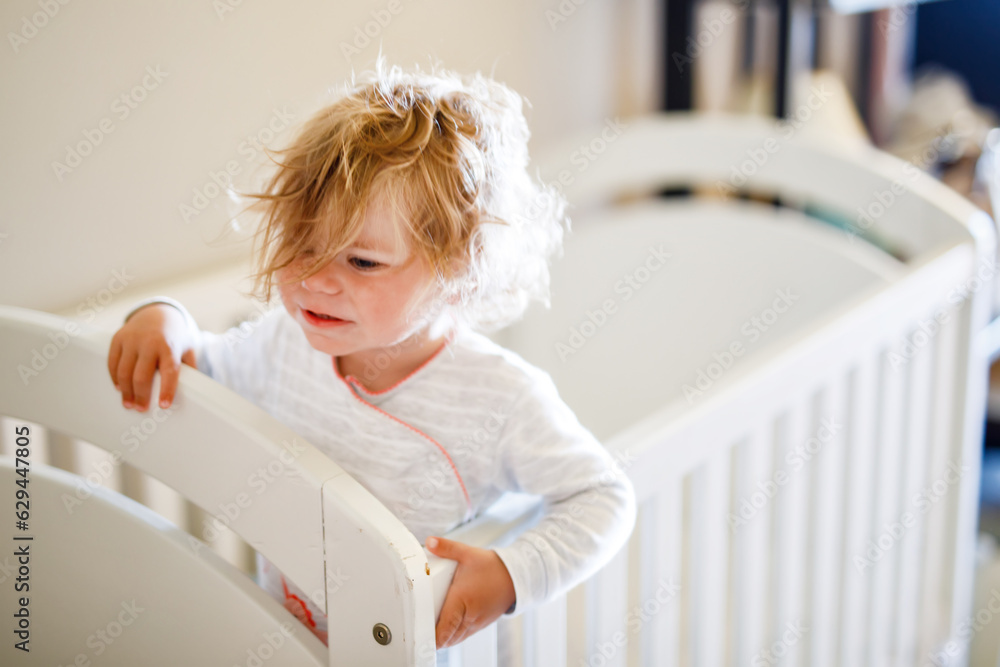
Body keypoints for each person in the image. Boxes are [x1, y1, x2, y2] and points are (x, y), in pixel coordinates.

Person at [106, 60, 636, 655]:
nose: (313, 280)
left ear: (460, 274)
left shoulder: (502, 398)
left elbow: (603, 496)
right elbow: (201, 368)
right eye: (301, 247)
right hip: (284, 642)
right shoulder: (282, 344)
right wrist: (163, 319)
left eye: (361, 262)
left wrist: (513, 575)